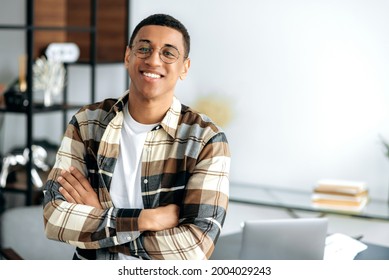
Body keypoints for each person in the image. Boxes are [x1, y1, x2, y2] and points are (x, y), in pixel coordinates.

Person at [42, 13, 231, 260]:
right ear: (127, 56)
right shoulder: (87, 123)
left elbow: (193, 249)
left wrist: (102, 219)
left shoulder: (206, 139)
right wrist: (147, 219)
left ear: (184, 67)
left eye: (168, 53)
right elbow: (54, 218)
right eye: (144, 48)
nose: (153, 60)